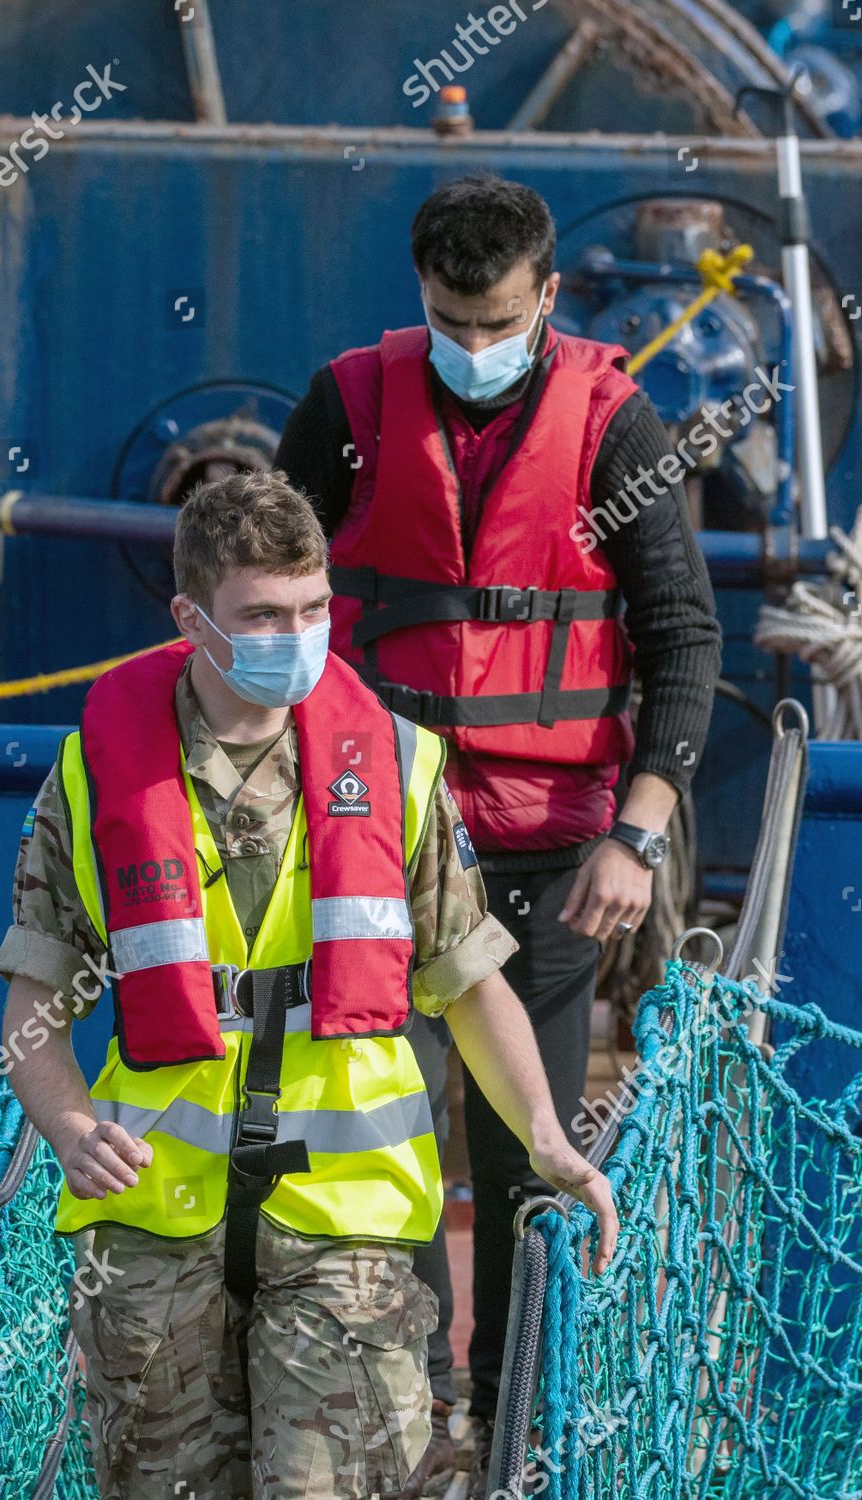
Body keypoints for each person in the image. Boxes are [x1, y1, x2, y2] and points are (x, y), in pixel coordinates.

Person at [0, 471, 619, 1500]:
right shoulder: (93, 778)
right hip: (152, 1233)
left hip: (350, 1234)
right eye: (264, 615)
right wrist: (65, 1129)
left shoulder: (403, 767)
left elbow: (467, 981)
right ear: (190, 619)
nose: (297, 633)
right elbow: (33, 1005)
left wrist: (549, 1139)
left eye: (314, 607)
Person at [275, 172, 722, 1495]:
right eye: (447, 320)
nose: (473, 347)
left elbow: (682, 636)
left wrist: (633, 835)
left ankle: (515, 1435)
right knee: (382, 1141)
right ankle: (397, 1425)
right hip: (377, 841)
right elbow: (269, 591)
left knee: (526, 1151)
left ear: (546, 296)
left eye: (495, 320)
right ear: (418, 299)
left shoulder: (613, 423)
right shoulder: (346, 408)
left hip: (549, 857)